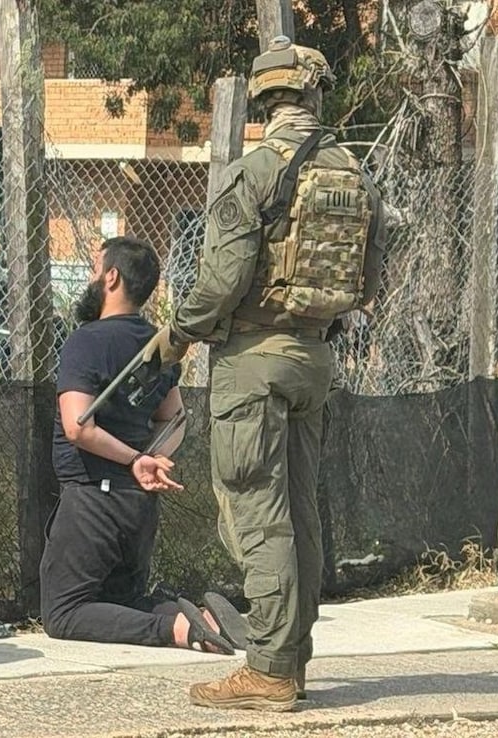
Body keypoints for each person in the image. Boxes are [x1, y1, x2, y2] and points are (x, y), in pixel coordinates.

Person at [142, 37, 388, 711]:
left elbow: (221, 284)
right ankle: (293, 661)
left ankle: (270, 669)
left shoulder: (256, 172)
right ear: (314, 94)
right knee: (299, 514)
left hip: (253, 363)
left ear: (264, 99)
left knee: (258, 515)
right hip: (316, 357)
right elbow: (369, 280)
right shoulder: (354, 175)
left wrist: (175, 335)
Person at [39, 236, 235, 655]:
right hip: (137, 505)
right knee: (123, 601)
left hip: (92, 498)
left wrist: (134, 460)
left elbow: (78, 426)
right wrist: (154, 457)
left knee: (63, 613)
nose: (91, 279)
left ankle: (178, 630)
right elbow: (176, 416)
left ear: (111, 277)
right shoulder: (158, 345)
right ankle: (205, 619)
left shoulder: (85, 341)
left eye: (94, 269)